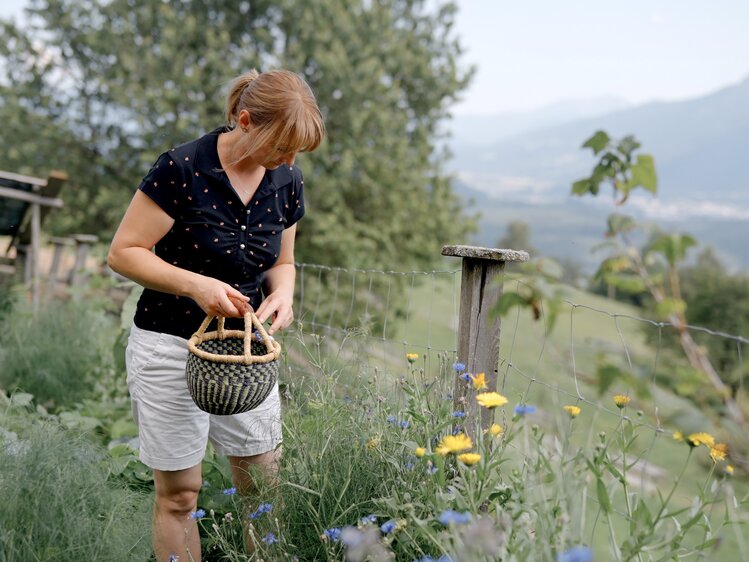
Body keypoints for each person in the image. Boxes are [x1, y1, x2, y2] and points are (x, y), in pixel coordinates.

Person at [108, 69, 324, 561]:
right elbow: (124, 252)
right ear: (245, 121)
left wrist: (284, 294)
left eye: (297, 153)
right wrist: (195, 284)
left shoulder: (286, 179)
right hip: (168, 348)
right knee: (181, 496)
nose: (289, 161)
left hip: (247, 358)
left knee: (264, 494)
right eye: (282, 146)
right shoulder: (181, 168)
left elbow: (282, 262)